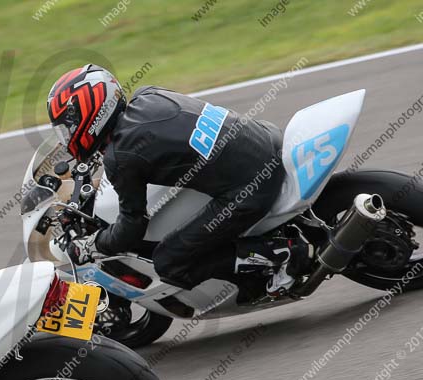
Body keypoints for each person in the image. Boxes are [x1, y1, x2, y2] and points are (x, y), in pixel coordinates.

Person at [46, 64, 311, 297]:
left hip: (252, 185)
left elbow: (132, 226)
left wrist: (93, 244)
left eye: (68, 126)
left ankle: (282, 253)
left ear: (90, 115)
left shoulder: (121, 157)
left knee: (169, 261)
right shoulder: (147, 95)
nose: (66, 136)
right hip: (265, 138)